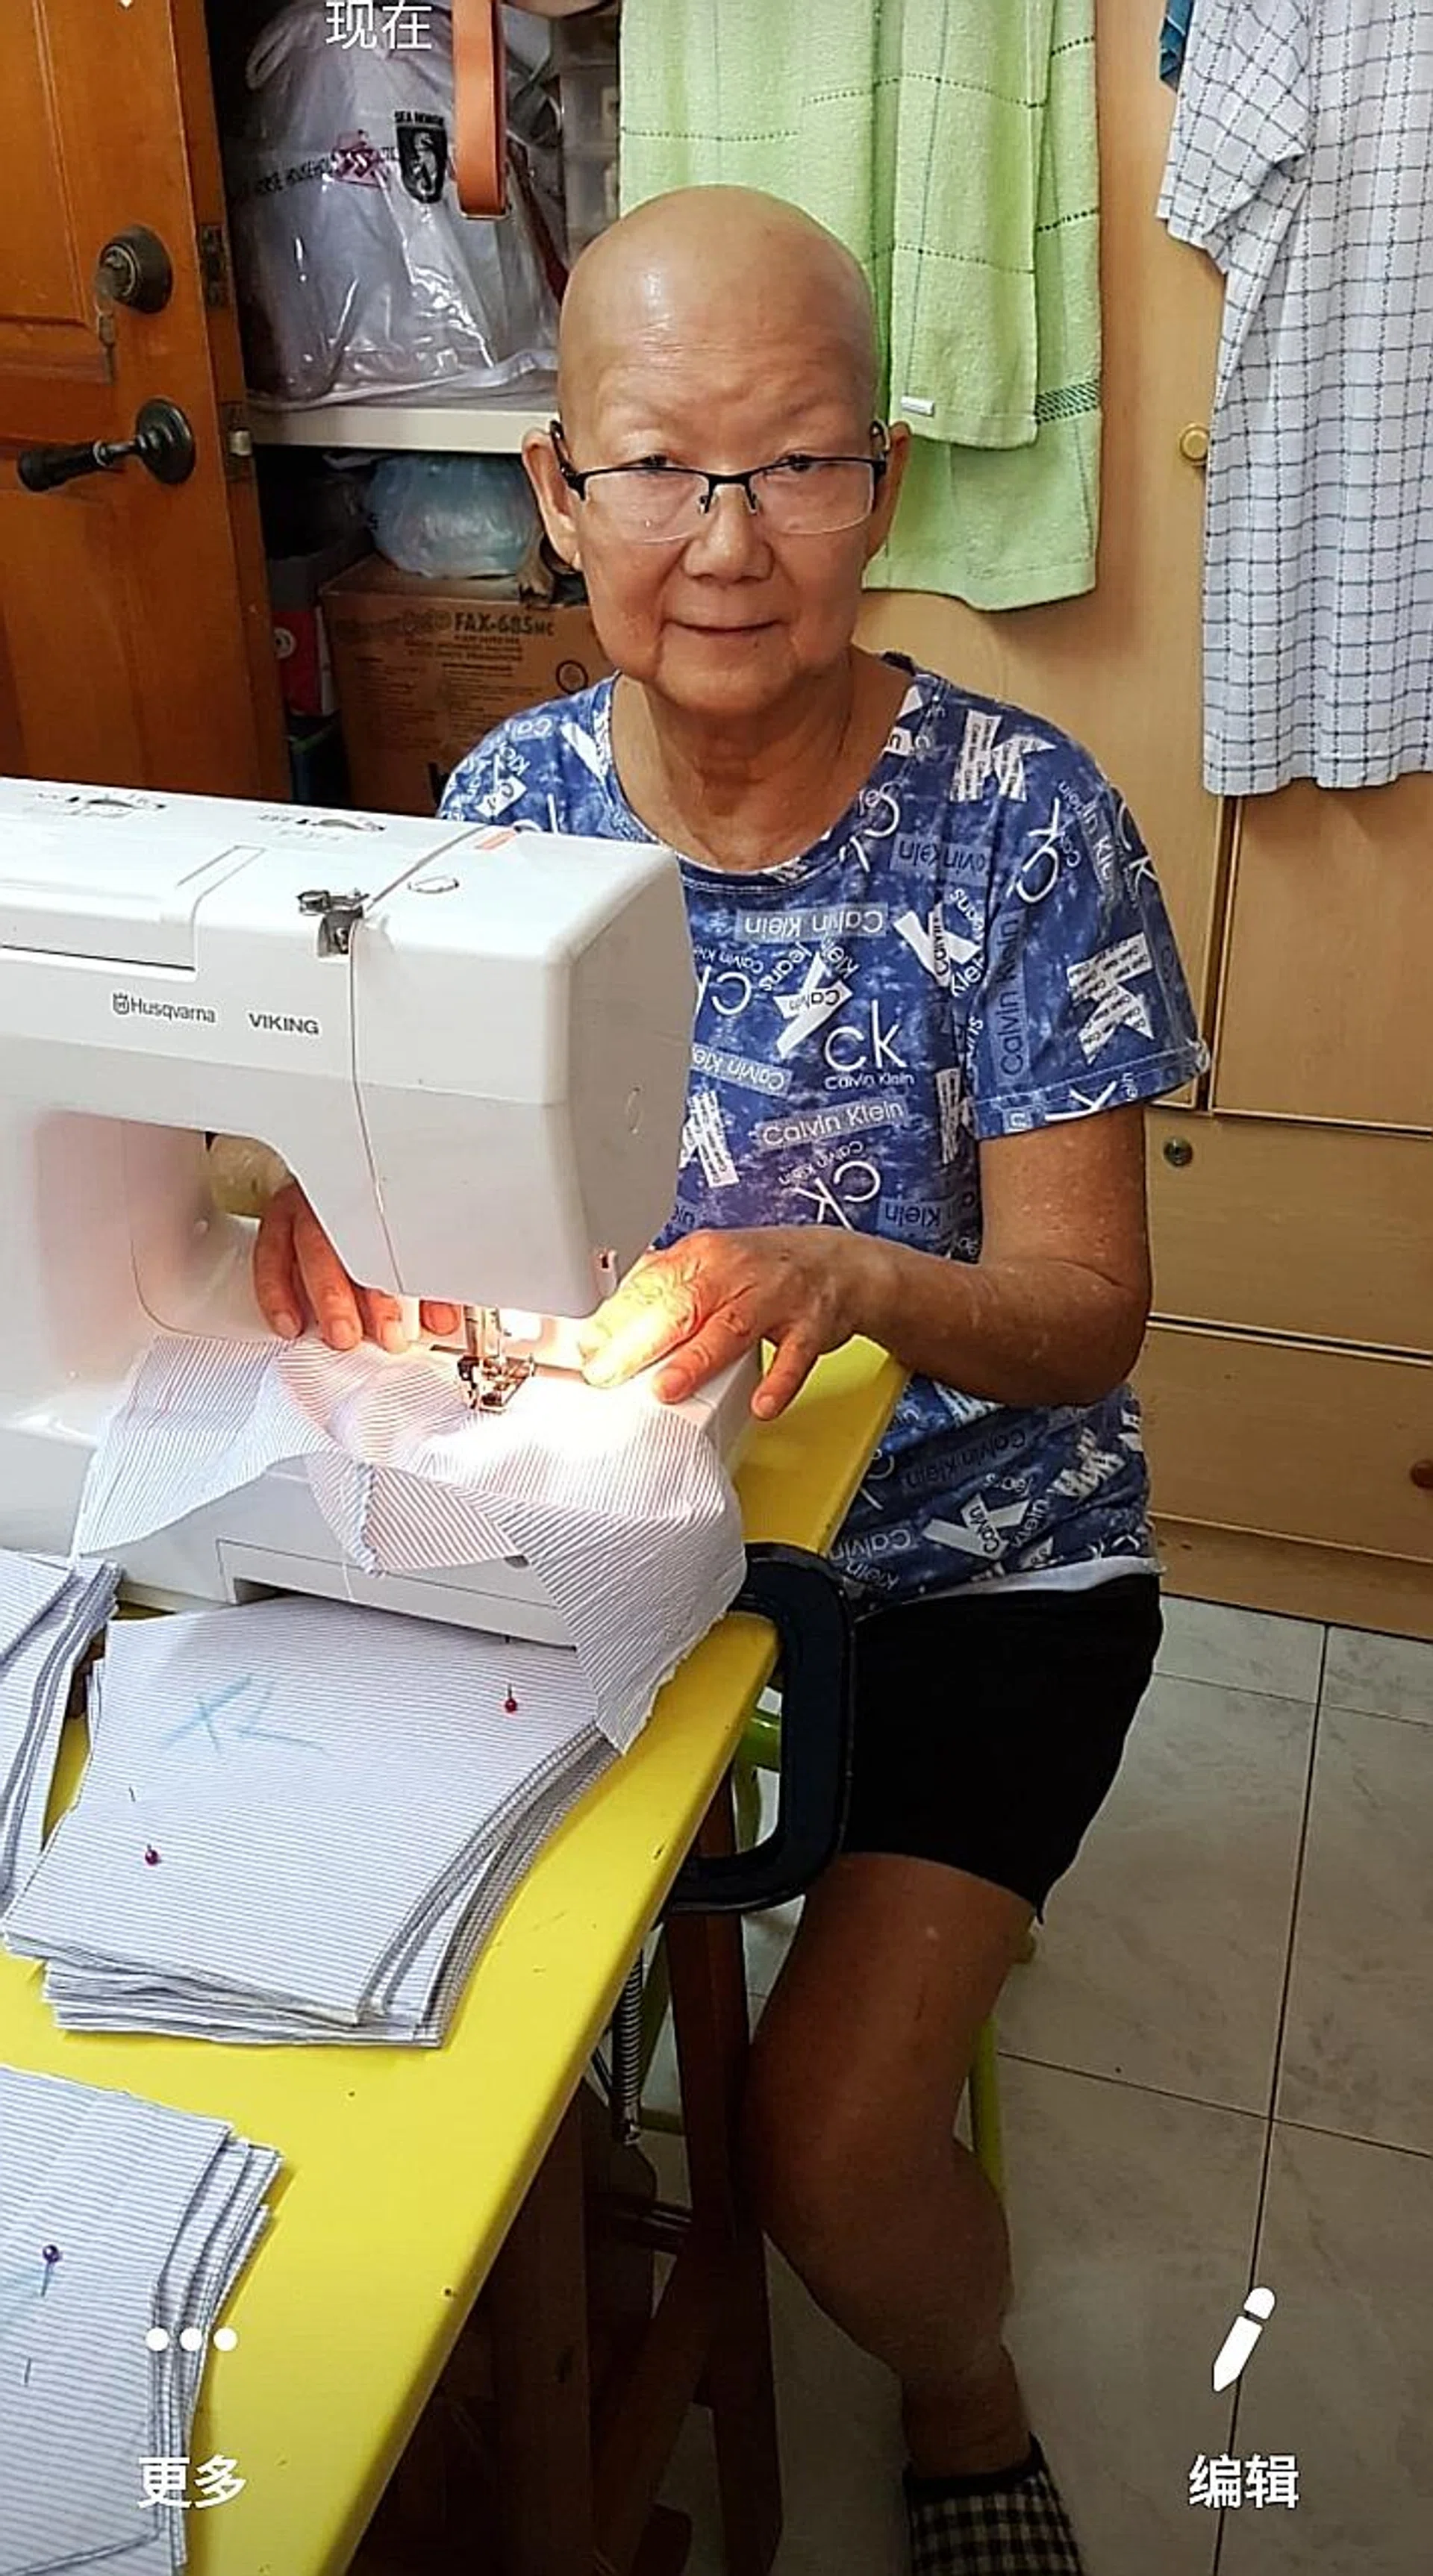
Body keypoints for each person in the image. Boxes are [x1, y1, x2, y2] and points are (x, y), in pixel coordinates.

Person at [254, 188, 1204, 2576]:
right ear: (557, 492)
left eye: (786, 466)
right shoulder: (498, 819)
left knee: (827, 2144)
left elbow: (1088, 1317)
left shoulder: (1028, 826)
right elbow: (432, 1234)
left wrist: (860, 1267)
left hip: (977, 1566)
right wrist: (335, 1205)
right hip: (615, 1551)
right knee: (400, 2016)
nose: (724, 541)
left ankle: (968, 2406)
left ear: (880, 477)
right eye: (657, 470)